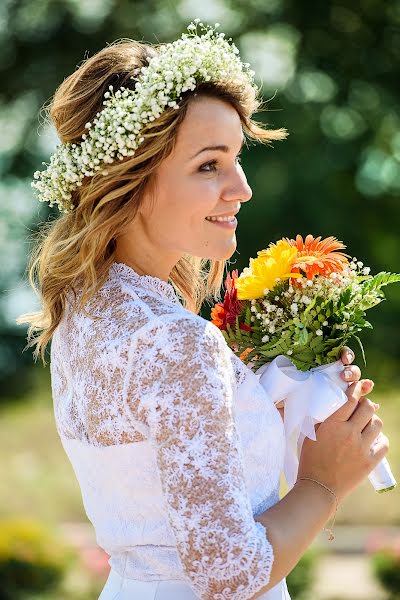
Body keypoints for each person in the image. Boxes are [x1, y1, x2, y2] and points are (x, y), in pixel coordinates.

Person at [17, 21, 388, 600]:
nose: (240, 187)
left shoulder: (84, 317)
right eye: (209, 165)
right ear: (132, 182)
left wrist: (267, 388)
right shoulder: (173, 341)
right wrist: (324, 480)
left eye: (237, 159)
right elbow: (229, 574)